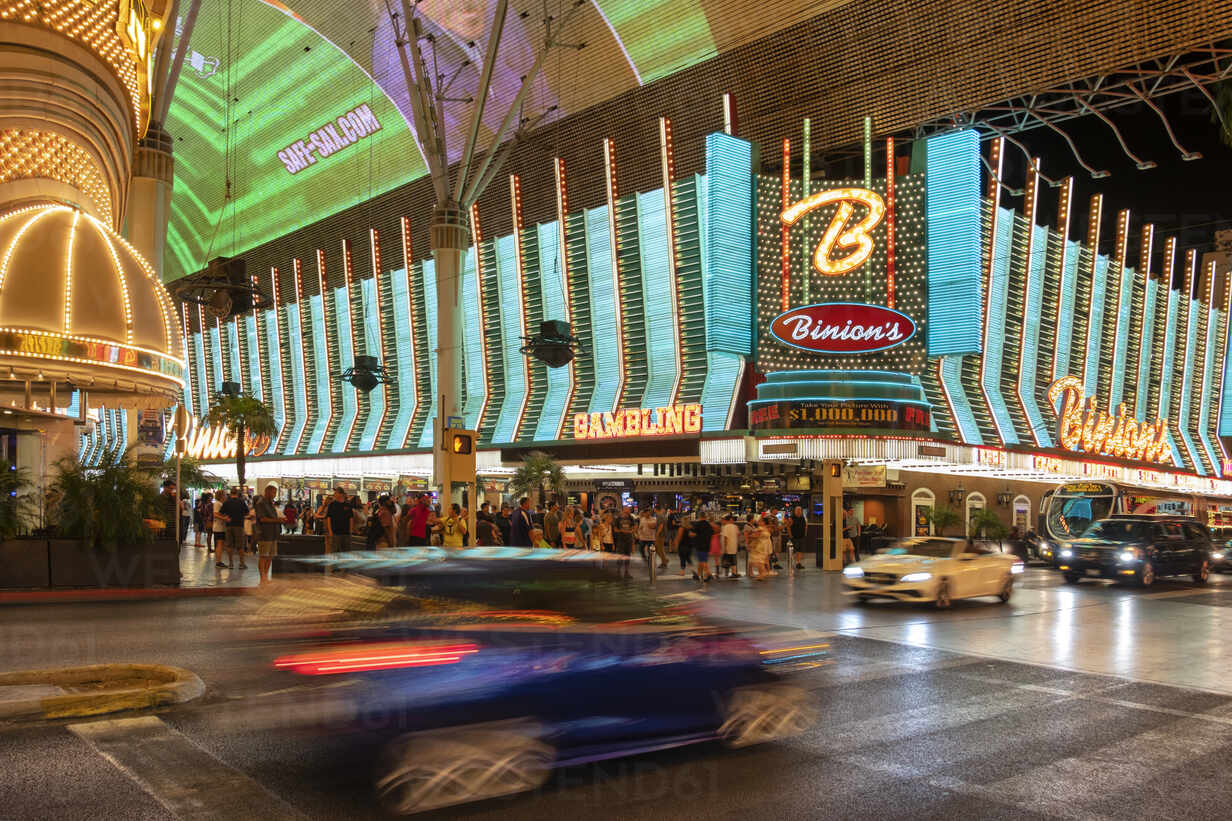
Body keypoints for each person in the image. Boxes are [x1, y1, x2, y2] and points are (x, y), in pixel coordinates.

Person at [254, 483, 282, 583]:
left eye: (275, 492)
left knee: (270, 556)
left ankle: (265, 575)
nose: (275, 494)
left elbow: (272, 517)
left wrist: (279, 519)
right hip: (265, 534)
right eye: (274, 492)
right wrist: (277, 521)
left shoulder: (271, 503)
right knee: (263, 556)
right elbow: (262, 519)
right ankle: (262, 578)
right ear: (267, 492)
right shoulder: (261, 503)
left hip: (273, 534)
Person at [218, 487, 249, 570]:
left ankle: (231, 563)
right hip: (239, 525)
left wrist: (226, 518)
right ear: (237, 493)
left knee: (229, 545)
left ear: (230, 493)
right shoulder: (241, 502)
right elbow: (247, 512)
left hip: (229, 525)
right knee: (240, 546)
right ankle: (242, 563)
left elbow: (221, 513)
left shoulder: (226, 502)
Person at [325, 488, 353, 554]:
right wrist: (330, 531)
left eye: (335, 492)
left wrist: (350, 531)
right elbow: (328, 518)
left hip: (346, 533)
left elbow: (351, 518)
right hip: (335, 533)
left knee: (346, 552)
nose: (334, 494)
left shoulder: (348, 505)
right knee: (334, 552)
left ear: (341, 494)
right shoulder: (332, 505)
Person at [746, 515, 772, 580]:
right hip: (764, 545)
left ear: (763, 522)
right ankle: (761, 574)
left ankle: (762, 573)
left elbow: (756, 536)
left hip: (759, 545)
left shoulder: (760, 528)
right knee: (761, 561)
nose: (758, 521)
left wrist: (749, 536)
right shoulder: (766, 528)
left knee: (758, 561)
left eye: (760, 521)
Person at [691, 514, 715, 582]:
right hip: (707, 544)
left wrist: (695, 536)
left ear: (699, 517)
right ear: (705, 517)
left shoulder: (697, 524)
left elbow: (692, 534)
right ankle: (698, 575)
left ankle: (708, 574)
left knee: (702, 561)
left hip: (699, 545)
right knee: (702, 560)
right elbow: (712, 533)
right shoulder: (708, 525)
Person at [613, 506, 634, 576]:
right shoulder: (618, 518)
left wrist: (631, 531)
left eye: (628, 509)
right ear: (623, 510)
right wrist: (621, 530)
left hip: (629, 539)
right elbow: (615, 529)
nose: (627, 511)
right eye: (626, 509)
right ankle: (618, 571)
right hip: (621, 540)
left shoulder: (631, 518)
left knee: (628, 556)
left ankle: (626, 571)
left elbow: (634, 526)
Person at [790, 506, 807, 570]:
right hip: (794, 537)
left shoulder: (803, 518)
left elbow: (805, 526)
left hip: (801, 537)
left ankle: (798, 563)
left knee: (800, 550)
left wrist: (805, 534)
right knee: (794, 551)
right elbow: (788, 527)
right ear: (795, 511)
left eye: (800, 510)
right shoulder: (792, 518)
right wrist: (790, 535)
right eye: (797, 510)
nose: (799, 511)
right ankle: (793, 563)